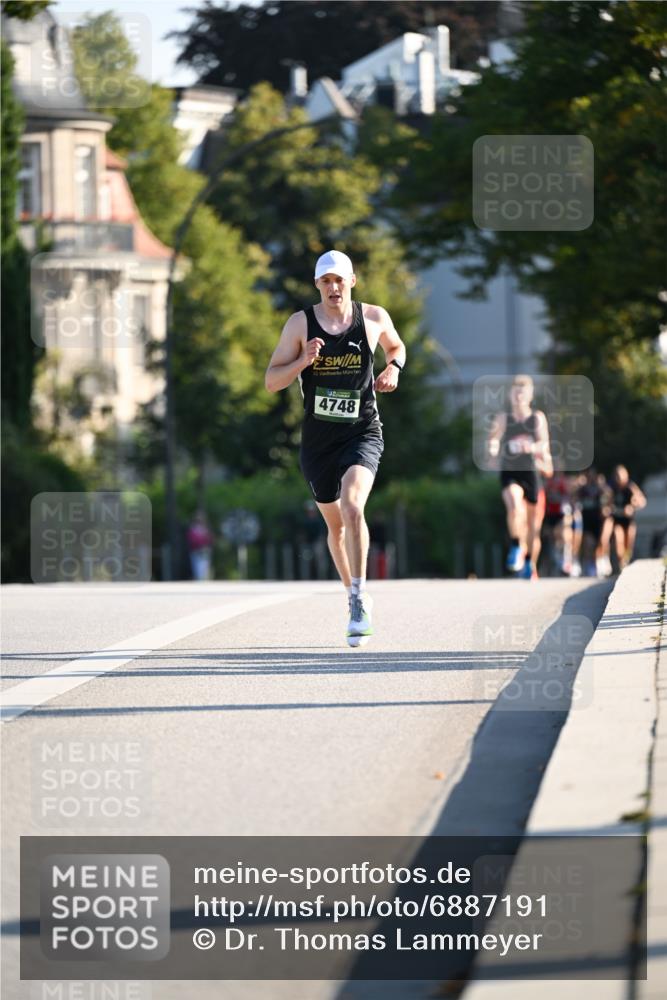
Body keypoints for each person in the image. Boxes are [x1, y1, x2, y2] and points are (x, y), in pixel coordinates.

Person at [265, 250, 406, 646]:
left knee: (353, 505)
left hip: (362, 432)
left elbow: (397, 348)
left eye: (339, 280)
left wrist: (393, 368)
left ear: (352, 281)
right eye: (325, 281)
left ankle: (359, 601)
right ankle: (351, 594)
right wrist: (302, 362)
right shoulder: (300, 324)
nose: (333, 287)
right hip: (318, 443)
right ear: (317, 286)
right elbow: (271, 380)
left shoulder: (373, 317)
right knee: (336, 527)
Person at [487, 374, 553, 580]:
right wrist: (493, 448)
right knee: (515, 507)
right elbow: (493, 439)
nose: (518, 396)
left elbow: (544, 443)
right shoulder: (503, 418)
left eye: (523, 392)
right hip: (510, 471)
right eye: (515, 392)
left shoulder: (537, 418)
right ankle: (516, 546)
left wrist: (531, 446)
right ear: (510, 394)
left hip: (531, 473)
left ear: (530, 396)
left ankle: (529, 564)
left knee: (533, 528)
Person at [576, 467, 613, 576]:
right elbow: (574, 498)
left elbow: (609, 497)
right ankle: (589, 565)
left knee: (602, 543)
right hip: (587, 519)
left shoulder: (601, 488)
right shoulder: (582, 489)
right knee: (588, 544)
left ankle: (602, 561)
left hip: (598, 521)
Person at [609, 464, 646, 570]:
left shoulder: (631, 487)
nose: (619, 479)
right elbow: (606, 502)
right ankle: (621, 564)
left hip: (629, 521)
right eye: (616, 476)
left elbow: (642, 501)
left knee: (628, 544)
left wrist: (632, 506)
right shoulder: (612, 488)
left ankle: (626, 560)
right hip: (617, 520)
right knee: (618, 539)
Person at [187, 510, 214, 581]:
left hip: (205, 551)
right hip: (196, 551)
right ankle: (199, 583)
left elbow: (210, 539)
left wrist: (205, 542)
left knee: (205, 569)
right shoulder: (193, 528)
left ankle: (204, 582)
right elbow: (192, 540)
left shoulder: (206, 528)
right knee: (197, 570)